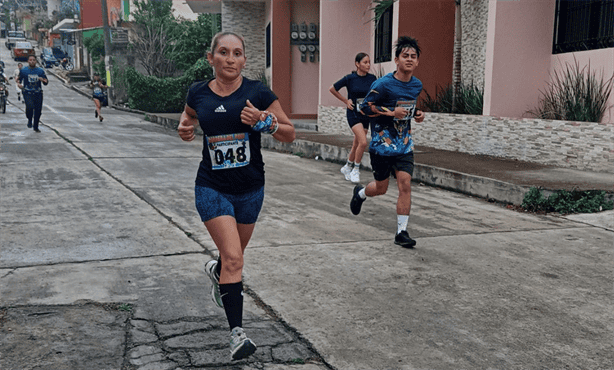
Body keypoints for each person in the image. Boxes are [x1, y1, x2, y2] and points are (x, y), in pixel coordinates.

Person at [177, 31, 295, 361]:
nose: (231, 59)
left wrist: (264, 121)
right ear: (210, 57)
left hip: (251, 190)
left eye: (238, 53)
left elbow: (289, 133)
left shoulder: (257, 92)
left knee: (232, 259)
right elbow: (189, 117)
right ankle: (237, 334)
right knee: (234, 259)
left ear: (244, 59)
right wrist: (185, 127)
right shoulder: (198, 91)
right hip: (211, 187)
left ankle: (217, 274)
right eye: (224, 52)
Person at [351, 36, 425, 248]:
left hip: (404, 145)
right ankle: (361, 193)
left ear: (417, 61)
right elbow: (364, 107)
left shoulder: (416, 85)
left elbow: (408, 109)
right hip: (382, 148)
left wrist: (417, 114)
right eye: (405, 56)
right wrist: (392, 112)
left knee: (405, 184)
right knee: (381, 188)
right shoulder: (383, 84)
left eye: (413, 56)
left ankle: (401, 232)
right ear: (396, 60)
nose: (409, 59)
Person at [329, 53, 376, 183]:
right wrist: (346, 101)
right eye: (365, 62)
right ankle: (355, 169)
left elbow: (376, 93)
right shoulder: (350, 78)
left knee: (357, 143)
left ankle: (347, 166)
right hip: (353, 113)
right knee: (363, 142)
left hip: (365, 113)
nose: (368, 65)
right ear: (357, 64)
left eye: (369, 62)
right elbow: (332, 89)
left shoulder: (372, 78)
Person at [17, 55, 48, 132]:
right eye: (30, 60)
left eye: (33, 60)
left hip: (38, 93)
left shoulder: (40, 70)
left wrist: (43, 80)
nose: (32, 61)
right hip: (27, 92)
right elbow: (19, 80)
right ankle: (30, 119)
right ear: (28, 61)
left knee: (38, 111)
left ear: (36, 61)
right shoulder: (23, 70)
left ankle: (36, 126)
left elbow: (46, 81)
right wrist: (19, 84)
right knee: (30, 107)